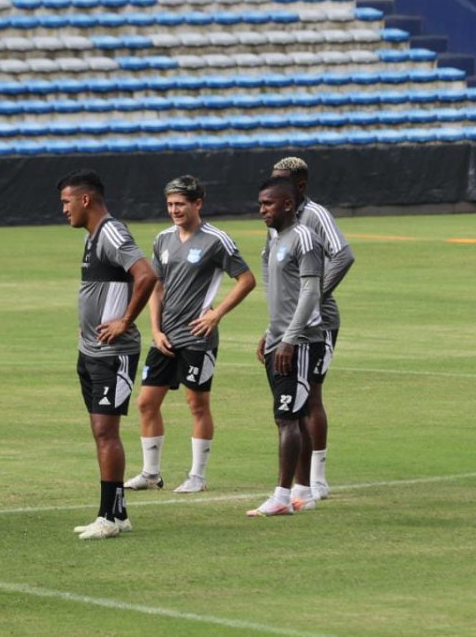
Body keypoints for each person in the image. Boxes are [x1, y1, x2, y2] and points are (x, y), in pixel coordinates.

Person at [125, 175, 256, 494]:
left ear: (198, 203)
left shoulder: (216, 239)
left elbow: (246, 279)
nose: (174, 210)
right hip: (165, 337)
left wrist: (216, 313)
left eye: (180, 204)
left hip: (198, 338)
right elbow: (157, 286)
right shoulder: (163, 239)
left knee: (196, 404)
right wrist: (155, 329)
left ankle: (197, 476)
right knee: (145, 402)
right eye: (170, 204)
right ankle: (151, 473)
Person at [58, 169, 158, 540]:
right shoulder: (93, 237)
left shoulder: (112, 231)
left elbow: (146, 274)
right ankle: (116, 513)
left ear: (86, 199)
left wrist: (125, 320)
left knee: (106, 429)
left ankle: (110, 518)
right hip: (91, 351)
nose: (64, 209)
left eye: (67, 202)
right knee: (100, 431)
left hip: (113, 353)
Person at [270, 157, 354, 504]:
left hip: (319, 323)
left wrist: (316, 295)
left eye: (282, 181)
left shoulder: (315, 215)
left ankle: (317, 478)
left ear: (300, 186)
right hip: (287, 323)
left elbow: (343, 255)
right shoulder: (276, 219)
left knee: (311, 396)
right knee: (296, 404)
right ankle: (301, 484)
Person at [248, 177, 326, 518]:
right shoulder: (275, 238)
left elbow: (311, 292)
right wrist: (271, 332)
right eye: (261, 203)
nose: (262, 209)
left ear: (288, 205)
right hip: (280, 339)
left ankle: (282, 496)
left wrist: (291, 338)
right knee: (293, 414)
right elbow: (282, 294)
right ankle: (303, 490)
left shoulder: (305, 238)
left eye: (268, 204)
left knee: (287, 418)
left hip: (301, 342)